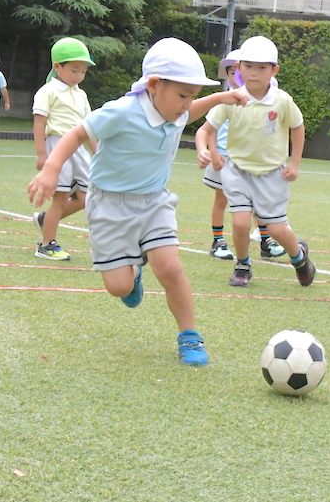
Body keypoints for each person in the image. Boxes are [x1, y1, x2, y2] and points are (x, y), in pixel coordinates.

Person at [28, 37, 248, 366]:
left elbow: (192, 113)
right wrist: (50, 168)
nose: (188, 104)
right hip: (108, 205)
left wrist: (224, 97)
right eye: (184, 95)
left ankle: (189, 335)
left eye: (193, 96)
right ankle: (133, 272)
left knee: (171, 268)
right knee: (119, 287)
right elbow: (76, 133)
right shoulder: (122, 111)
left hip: (153, 202)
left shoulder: (175, 109)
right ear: (155, 85)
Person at [196, 34, 316, 289]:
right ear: (238, 68)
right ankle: (243, 265)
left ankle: (300, 259)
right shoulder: (231, 98)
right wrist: (204, 150)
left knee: (276, 229)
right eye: (248, 66)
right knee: (240, 221)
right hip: (237, 171)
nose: (254, 73)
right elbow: (204, 130)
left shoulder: (282, 100)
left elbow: (297, 126)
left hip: (272, 173)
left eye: (262, 68)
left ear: (274, 70)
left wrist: (294, 164)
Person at [197, 52, 287, 262]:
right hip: (224, 157)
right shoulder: (225, 98)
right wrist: (214, 152)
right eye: (231, 72)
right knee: (222, 199)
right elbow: (211, 129)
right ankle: (218, 240)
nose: (235, 76)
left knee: (257, 201)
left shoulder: (261, 97)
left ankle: (266, 239)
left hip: (248, 159)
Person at [30, 38, 97, 261]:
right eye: (74, 70)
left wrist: (97, 152)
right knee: (59, 199)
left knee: (86, 197)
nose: (78, 75)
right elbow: (39, 123)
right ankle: (46, 245)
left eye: (83, 71)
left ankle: (45, 219)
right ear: (57, 67)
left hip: (79, 149)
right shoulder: (48, 91)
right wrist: (42, 155)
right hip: (57, 146)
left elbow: (89, 128)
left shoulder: (81, 94)